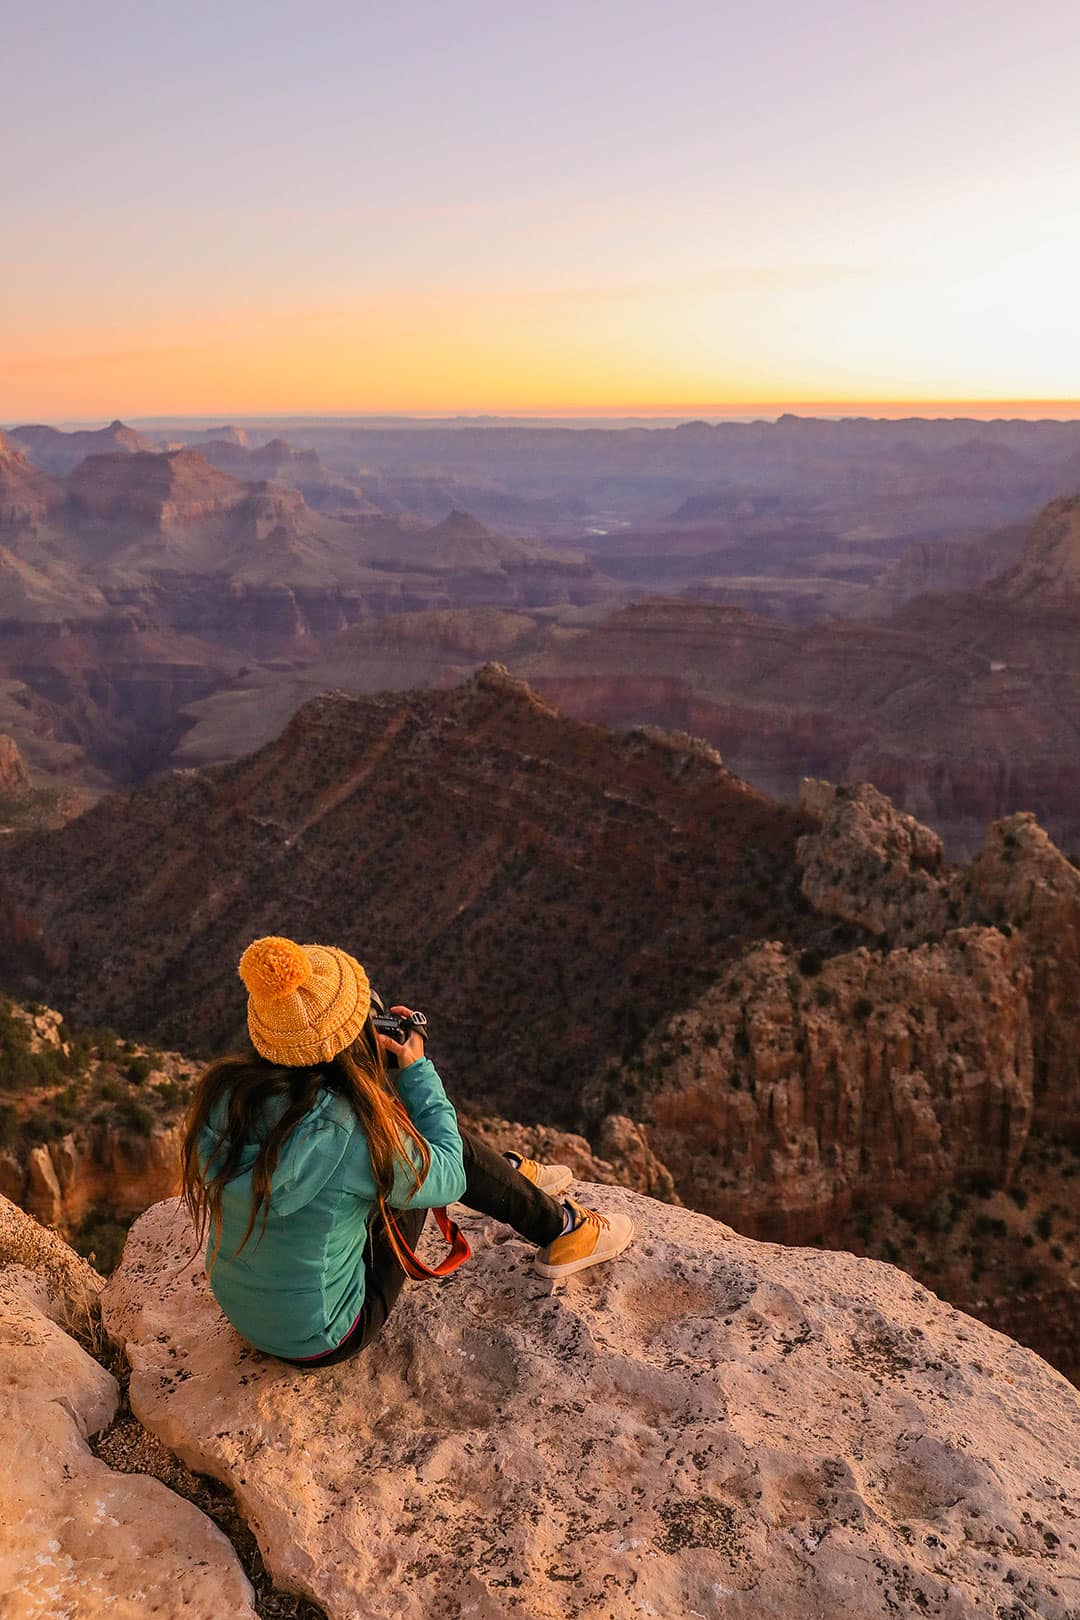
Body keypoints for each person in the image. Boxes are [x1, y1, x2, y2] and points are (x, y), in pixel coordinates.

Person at [180, 935, 634, 1366]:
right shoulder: (358, 1134)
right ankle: (561, 1227)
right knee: (421, 1142)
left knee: (389, 1130)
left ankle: (505, 1177)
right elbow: (449, 1175)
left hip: (246, 1315)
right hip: (325, 1337)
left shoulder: (223, 1096)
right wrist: (414, 1068)